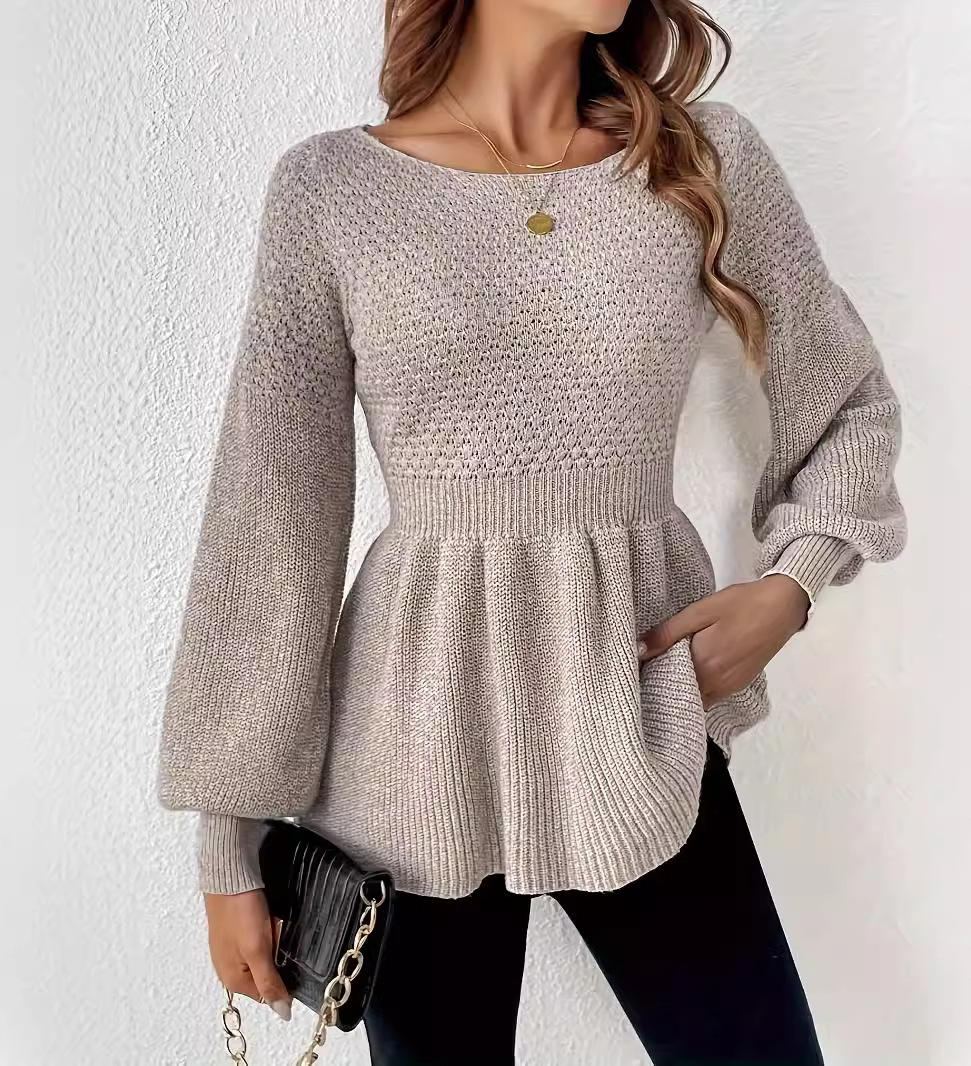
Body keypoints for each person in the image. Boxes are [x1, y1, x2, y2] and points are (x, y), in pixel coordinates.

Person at [155, 1, 906, 1062]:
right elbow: (270, 520)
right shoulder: (331, 190)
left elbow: (847, 403)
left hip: (639, 718)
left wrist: (790, 588)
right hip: (411, 751)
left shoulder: (700, 159)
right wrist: (229, 845)